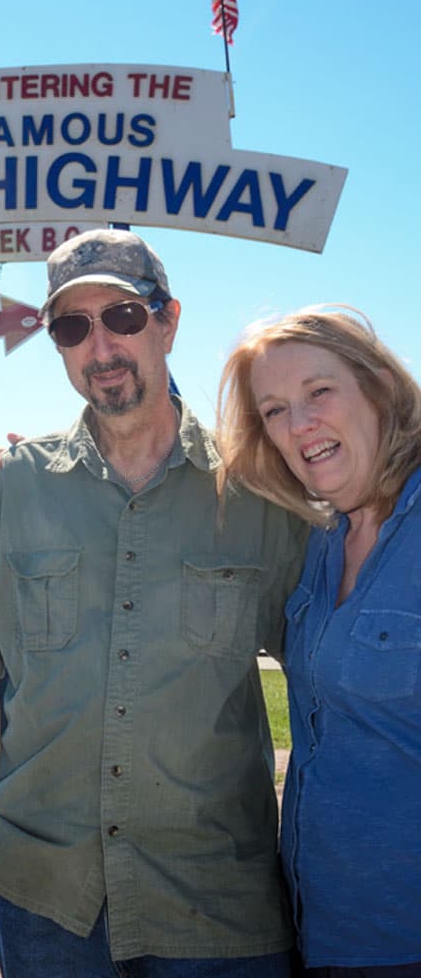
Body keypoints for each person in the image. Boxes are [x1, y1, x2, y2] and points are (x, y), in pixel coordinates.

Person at [0, 228, 308, 978]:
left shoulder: (258, 490)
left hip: (219, 904)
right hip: (46, 900)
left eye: (123, 317)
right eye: (73, 327)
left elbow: (322, 672)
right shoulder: (14, 486)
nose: (101, 347)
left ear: (168, 320)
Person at [216, 306, 421, 977]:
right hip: (320, 932)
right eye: (274, 410)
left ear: (380, 388)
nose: (299, 424)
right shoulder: (317, 544)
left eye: (319, 392)